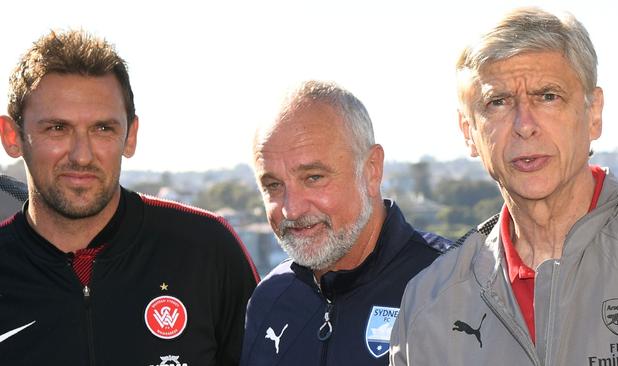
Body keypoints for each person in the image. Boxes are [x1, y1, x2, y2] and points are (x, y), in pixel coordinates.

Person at [390, 7, 618, 365]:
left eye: (548, 96)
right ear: (469, 132)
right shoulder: (428, 306)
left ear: (593, 113)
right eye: (498, 102)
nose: (524, 125)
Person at [0, 30, 259, 365]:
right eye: (57, 129)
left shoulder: (206, 249)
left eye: (102, 129)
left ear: (130, 136)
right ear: (12, 136)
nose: (82, 155)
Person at [240, 80, 451, 366]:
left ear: (371, 170)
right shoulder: (271, 299)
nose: (291, 209)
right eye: (274, 186)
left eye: (313, 178)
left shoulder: (450, 285)